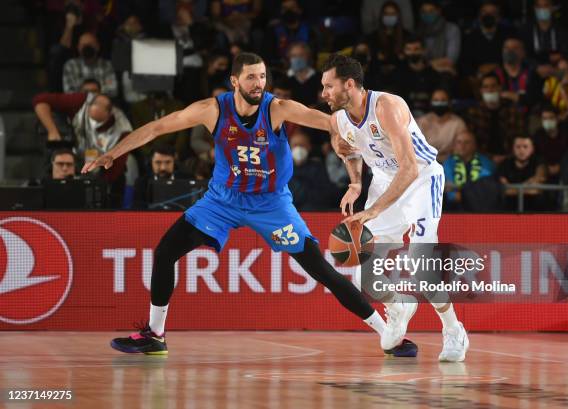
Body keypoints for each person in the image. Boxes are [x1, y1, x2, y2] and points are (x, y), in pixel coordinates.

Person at [82, 53, 390, 356]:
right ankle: (155, 335)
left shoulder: (278, 109)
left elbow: (335, 125)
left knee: (320, 269)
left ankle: (389, 334)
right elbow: (157, 128)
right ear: (234, 81)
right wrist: (114, 152)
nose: (259, 84)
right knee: (164, 253)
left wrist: (343, 151)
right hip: (222, 200)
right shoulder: (212, 110)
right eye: (251, 77)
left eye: (263, 76)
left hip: (271, 204)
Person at [321, 53, 469, 362]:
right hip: (384, 183)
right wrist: (355, 184)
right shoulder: (337, 118)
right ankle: (399, 304)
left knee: (421, 269)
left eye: (329, 86)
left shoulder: (387, 106)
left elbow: (410, 169)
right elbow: (347, 147)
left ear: (349, 84)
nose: (324, 94)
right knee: (363, 272)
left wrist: (374, 210)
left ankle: (454, 330)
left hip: (420, 179)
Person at [416, 88, 467, 162]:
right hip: (426, 162)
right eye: (436, 100)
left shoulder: (458, 123)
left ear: (449, 102)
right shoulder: (422, 122)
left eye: (443, 100)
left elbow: (461, 148)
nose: (439, 103)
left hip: (451, 163)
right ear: (431, 102)